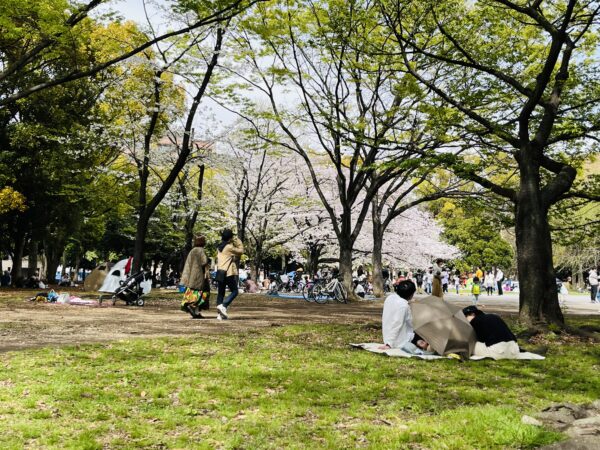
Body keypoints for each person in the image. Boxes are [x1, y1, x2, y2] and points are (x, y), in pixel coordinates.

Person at [216, 229, 244, 320]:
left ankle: (220, 315)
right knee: (235, 291)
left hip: (220, 271)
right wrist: (238, 241)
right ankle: (223, 306)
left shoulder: (220, 246)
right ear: (230, 238)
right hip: (228, 273)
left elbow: (231, 257)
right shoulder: (229, 247)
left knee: (221, 293)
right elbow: (240, 251)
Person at [180, 235, 210, 319]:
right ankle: (193, 306)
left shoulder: (192, 251)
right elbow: (204, 262)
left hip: (191, 276)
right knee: (202, 293)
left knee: (193, 292)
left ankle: (196, 312)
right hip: (199, 275)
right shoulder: (201, 250)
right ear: (203, 242)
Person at [382, 280, 417, 349]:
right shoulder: (404, 306)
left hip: (387, 336)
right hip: (399, 341)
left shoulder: (389, 298)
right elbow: (397, 324)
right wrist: (389, 344)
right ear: (411, 295)